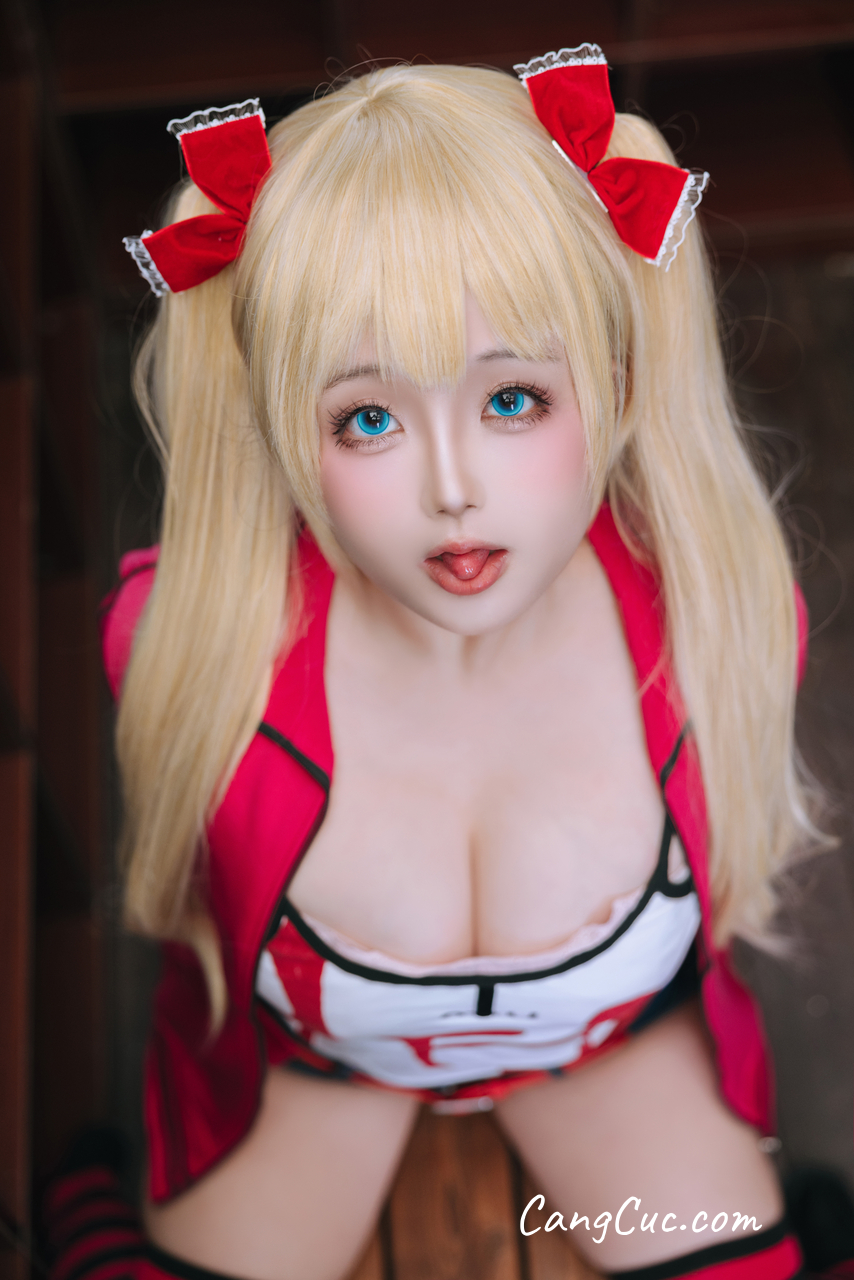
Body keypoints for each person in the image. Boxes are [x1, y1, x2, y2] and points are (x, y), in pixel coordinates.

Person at [45, 47, 825, 1280]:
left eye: (511, 400)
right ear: (280, 427)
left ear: (616, 380)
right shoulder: (183, 650)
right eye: (367, 417)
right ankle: (82, 1197)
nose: (450, 489)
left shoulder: (721, 620)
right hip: (314, 1069)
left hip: (608, 1051)